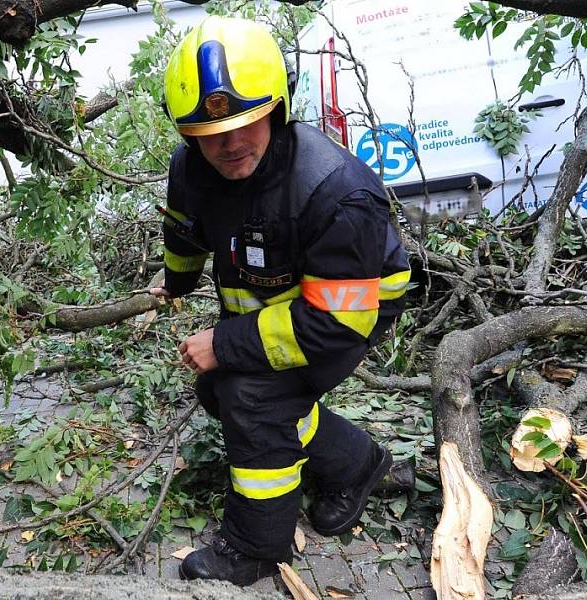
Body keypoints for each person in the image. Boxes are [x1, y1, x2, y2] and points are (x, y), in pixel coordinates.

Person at [151, 16, 411, 587]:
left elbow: (334, 325)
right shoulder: (188, 168)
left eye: (248, 122)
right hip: (283, 306)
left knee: (251, 394)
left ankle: (255, 547)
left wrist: (224, 342)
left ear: (278, 108)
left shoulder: (337, 192)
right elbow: (184, 235)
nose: (228, 144)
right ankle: (358, 465)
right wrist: (174, 283)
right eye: (207, 132)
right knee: (219, 387)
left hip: (349, 312)